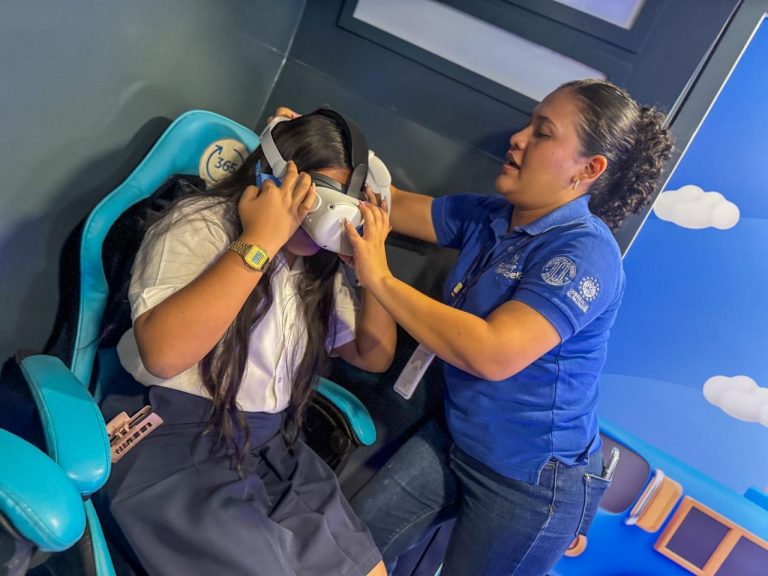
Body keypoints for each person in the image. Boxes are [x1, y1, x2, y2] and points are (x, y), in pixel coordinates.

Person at [334, 79, 673, 575]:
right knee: (348, 544)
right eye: (528, 124)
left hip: (530, 481)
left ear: (588, 169)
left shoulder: (585, 252)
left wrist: (379, 279)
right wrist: (322, 154)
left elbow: (493, 353)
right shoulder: (493, 215)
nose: (517, 138)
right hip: (460, 435)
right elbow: (389, 206)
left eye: (542, 133)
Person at [93, 109, 395, 576]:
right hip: (173, 439)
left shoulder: (315, 268)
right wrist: (260, 241)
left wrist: (374, 274)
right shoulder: (202, 224)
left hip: (269, 445)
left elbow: (373, 355)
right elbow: (164, 355)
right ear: (272, 177)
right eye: (315, 196)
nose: (321, 219)